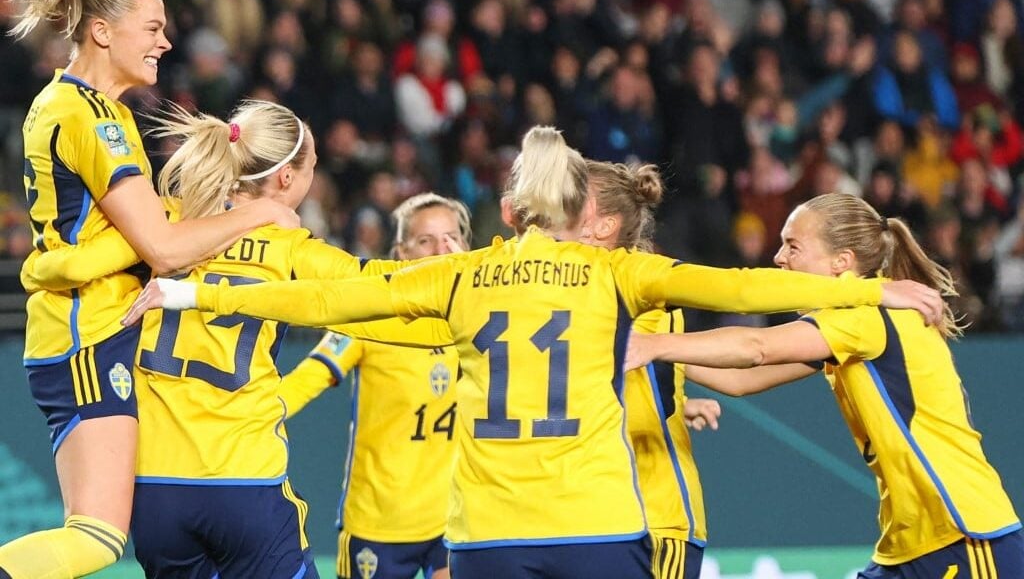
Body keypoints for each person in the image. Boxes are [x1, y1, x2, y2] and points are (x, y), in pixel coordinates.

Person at [126, 127, 943, 579]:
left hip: (485, 537)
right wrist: (872, 290)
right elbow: (740, 289)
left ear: (512, 206)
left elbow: (322, 301)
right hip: (594, 523)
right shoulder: (618, 274)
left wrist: (194, 291)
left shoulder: (464, 277)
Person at [19, 100, 421, 577]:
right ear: (288, 179)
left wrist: (39, 265)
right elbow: (376, 285)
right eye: (312, 167)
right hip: (242, 479)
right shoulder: (289, 247)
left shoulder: (161, 227)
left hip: (154, 489)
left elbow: (76, 262)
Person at [1, 0, 296, 579]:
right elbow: (161, 248)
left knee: (97, 534)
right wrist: (260, 212)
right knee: (96, 536)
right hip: (89, 334)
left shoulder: (66, 102)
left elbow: (122, 235)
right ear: (103, 31)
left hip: (75, 326)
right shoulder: (96, 118)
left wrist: (74, 259)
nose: (165, 41)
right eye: (152, 27)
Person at [626, 193, 1024, 579]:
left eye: (793, 246)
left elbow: (756, 348)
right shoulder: (850, 325)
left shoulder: (865, 319)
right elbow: (739, 378)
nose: (778, 257)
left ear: (842, 263)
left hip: (964, 534)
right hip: (910, 543)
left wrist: (655, 343)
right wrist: (654, 356)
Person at [282, 193, 471, 579]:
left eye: (452, 237)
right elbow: (310, 376)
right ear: (400, 253)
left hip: (455, 519)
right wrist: (254, 413)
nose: (442, 250)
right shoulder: (372, 317)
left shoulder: (478, 320)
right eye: (425, 240)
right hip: (379, 521)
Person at [582, 160, 714, 579]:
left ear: (603, 225)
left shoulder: (654, 303)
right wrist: (680, 401)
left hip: (654, 517)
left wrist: (821, 348)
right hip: (587, 519)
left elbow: (742, 365)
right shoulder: (563, 299)